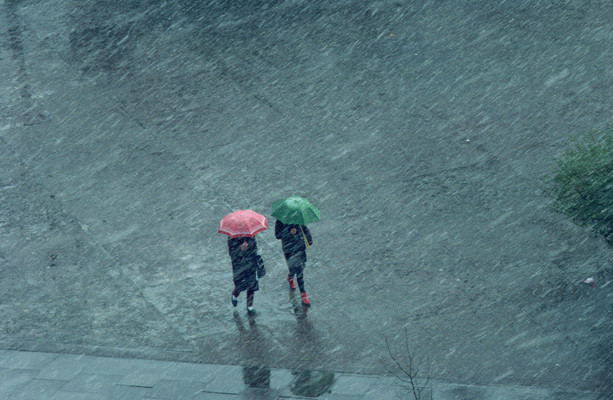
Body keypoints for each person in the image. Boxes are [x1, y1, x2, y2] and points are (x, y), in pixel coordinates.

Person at [275, 219, 313, 306]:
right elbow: (277, 235)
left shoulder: (297, 216)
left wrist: (309, 238)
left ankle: (290, 277)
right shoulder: (280, 220)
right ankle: (303, 294)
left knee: (301, 268)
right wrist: (289, 233)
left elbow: (304, 228)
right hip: (289, 249)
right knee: (297, 270)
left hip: (299, 246)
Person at [228, 236, 260, 315]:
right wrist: (241, 249)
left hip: (251, 264)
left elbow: (254, 247)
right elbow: (232, 253)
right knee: (240, 285)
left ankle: (249, 306)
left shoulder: (250, 235)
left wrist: (252, 250)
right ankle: (235, 294)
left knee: (252, 285)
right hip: (239, 266)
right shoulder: (232, 238)